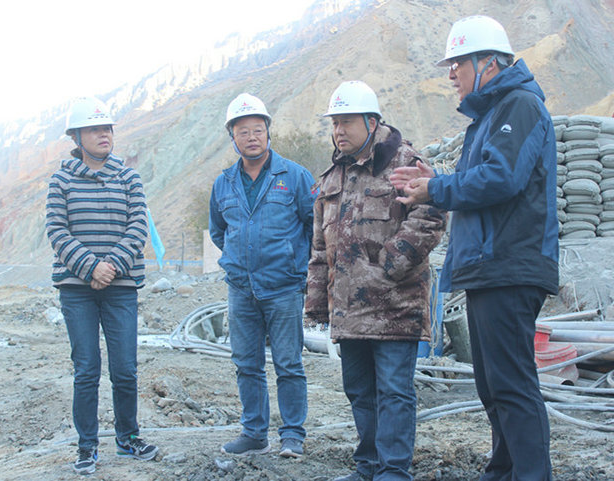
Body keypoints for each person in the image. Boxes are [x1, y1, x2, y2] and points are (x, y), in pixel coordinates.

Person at [391, 15, 559, 481]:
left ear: (489, 63)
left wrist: (435, 189)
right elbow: (482, 180)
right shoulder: (491, 116)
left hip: (510, 264)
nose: (451, 74)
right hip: (491, 267)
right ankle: (504, 470)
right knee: (492, 383)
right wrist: (438, 182)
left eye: (458, 64)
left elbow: (501, 178)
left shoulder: (519, 105)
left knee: (511, 384)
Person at [305, 80, 447, 481]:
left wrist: (388, 267)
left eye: (347, 122)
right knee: (359, 390)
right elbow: (320, 246)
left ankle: (393, 471)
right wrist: (317, 304)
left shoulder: (404, 162)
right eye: (335, 123)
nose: (339, 131)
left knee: (394, 391)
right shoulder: (332, 177)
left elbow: (431, 215)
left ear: (372, 122)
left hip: (394, 306)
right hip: (349, 309)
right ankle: (368, 466)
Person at [46, 96, 158, 475]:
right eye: (95, 129)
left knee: (125, 368)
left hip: (121, 286)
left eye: (107, 128)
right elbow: (57, 230)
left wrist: (110, 266)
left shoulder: (129, 177)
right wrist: (91, 267)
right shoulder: (61, 180)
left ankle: (128, 438)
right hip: (76, 289)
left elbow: (138, 226)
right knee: (87, 369)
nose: (104, 135)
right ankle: (87, 446)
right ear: (77, 137)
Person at [209, 93, 316, 458]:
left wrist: (297, 264)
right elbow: (219, 232)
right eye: (243, 131)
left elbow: (315, 226)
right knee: (246, 365)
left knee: (289, 364)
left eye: (257, 129)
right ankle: (254, 433)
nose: (251, 137)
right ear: (232, 137)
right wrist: (240, 260)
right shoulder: (223, 183)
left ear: (269, 132)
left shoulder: (296, 176)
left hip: (284, 287)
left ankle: (293, 435)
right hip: (241, 288)